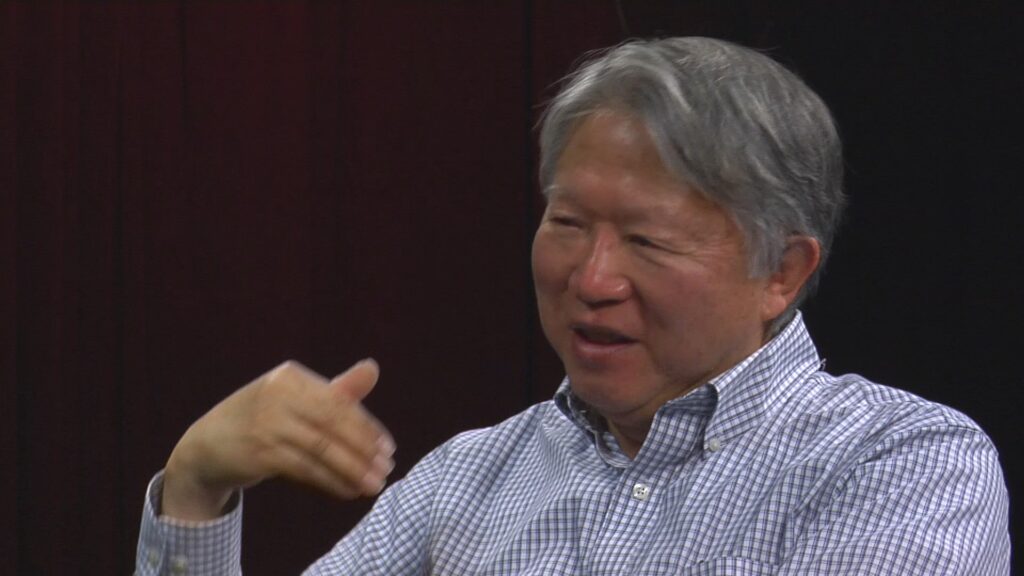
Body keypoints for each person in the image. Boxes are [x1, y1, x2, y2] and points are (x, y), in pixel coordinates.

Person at [135, 37, 1011, 575]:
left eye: (647, 241)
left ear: (781, 271)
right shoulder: (464, 481)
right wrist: (196, 490)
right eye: (566, 223)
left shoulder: (902, 464)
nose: (592, 278)